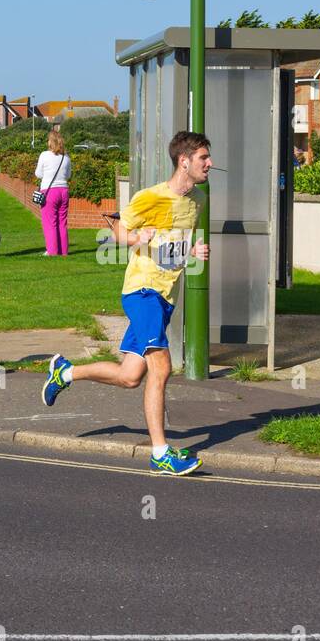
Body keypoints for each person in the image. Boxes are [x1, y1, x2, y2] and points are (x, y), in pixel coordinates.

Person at [42, 130, 212, 476]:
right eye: (203, 158)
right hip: (141, 290)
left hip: (166, 296)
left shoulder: (199, 201)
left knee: (130, 376)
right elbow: (116, 233)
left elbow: (177, 245)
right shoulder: (150, 197)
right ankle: (160, 453)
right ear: (184, 161)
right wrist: (137, 236)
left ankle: (65, 372)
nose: (210, 164)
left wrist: (193, 251)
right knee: (161, 367)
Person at [35, 127, 72, 256]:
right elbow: (68, 175)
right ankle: (64, 251)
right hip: (64, 190)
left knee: (50, 223)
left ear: (50, 142)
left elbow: (38, 174)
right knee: (62, 222)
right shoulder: (66, 157)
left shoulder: (44, 155)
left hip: (49, 192)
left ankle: (52, 251)